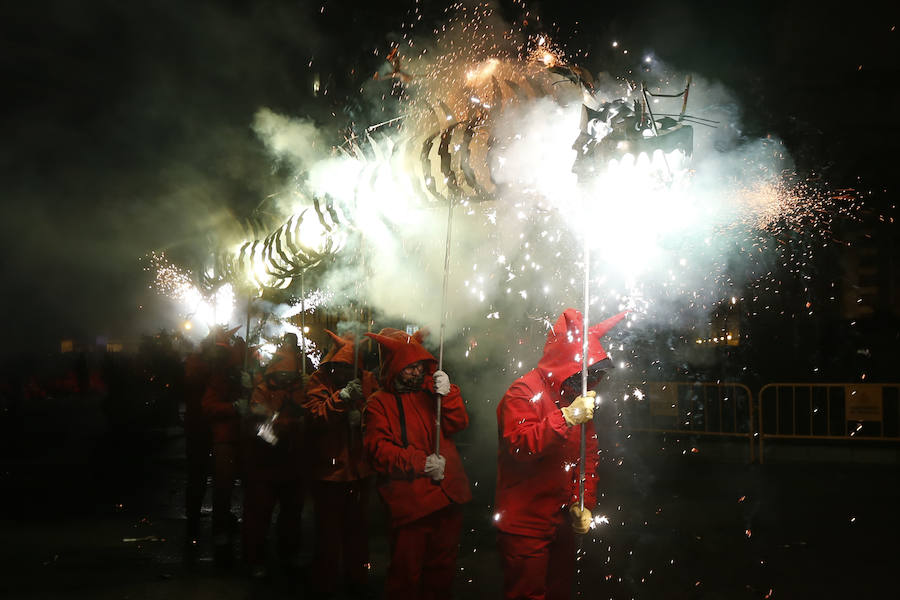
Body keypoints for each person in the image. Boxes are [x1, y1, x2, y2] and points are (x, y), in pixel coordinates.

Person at [494, 308, 627, 600]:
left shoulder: (574, 398)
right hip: (525, 523)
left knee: (559, 593)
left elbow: (587, 456)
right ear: (565, 365)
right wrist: (565, 418)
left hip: (561, 520)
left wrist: (585, 501)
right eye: (583, 373)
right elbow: (519, 445)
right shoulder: (522, 392)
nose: (588, 381)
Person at [363, 328, 472, 600]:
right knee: (406, 576)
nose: (415, 373)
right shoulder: (379, 404)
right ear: (393, 367)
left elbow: (458, 423)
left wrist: (449, 395)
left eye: (418, 366)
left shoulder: (430, 392)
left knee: (442, 572)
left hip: (448, 498)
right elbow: (379, 452)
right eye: (408, 367)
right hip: (412, 505)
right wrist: (421, 463)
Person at [304, 329, 380, 596]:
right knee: (328, 534)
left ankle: (357, 581)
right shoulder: (319, 380)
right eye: (339, 366)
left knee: (358, 531)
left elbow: (381, 414)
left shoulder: (368, 380)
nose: (343, 372)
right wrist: (341, 399)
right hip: (328, 472)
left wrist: (363, 416)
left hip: (358, 470)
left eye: (349, 367)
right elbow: (314, 416)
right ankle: (325, 584)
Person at [241, 334, 309, 578]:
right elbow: (258, 427)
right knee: (259, 514)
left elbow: (306, 418)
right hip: (265, 463)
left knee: (291, 515)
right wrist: (278, 428)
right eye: (282, 374)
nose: (285, 379)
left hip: (291, 463)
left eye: (289, 375)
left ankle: (289, 556)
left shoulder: (299, 390)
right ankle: (255, 559)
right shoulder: (261, 390)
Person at [200, 326, 247, 567]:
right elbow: (207, 407)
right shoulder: (218, 378)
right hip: (225, 441)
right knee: (223, 490)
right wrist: (233, 408)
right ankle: (220, 533)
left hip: (244, 439)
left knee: (250, 489)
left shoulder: (243, 378)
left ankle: (244, 533)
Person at [182, 332, 214, 560]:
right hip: (199, 426)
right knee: (197, 475)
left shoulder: (201, 364)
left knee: (204, 474)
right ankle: (192, 516)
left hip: (207, 426)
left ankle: (201, 517)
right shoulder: (195, 365)